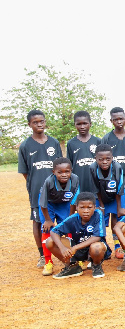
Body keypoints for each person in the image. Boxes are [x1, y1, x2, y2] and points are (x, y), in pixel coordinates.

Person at [18, 109, 62, 267]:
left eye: (41, 121)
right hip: (37, 190)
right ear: (29, 124)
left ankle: (66, 248)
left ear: (45, 122)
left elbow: (61, 166)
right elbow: (25, 172)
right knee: (38, 221)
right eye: (35, 122)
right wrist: (36, 186)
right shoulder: (25, 145)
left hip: (57, 190)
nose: (39, 124)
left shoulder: (54, 142)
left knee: (61, 218)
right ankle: (42, 255)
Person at [45, 192, 109, 279]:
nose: (86, 211)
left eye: (89, 207)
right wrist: (62, 247)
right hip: (77, 248)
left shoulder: (98, 214)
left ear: (94, 207)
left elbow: (97, 237)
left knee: (96, 247)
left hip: (93, 248)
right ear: (77, 208)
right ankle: (72, 267)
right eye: (82, 207)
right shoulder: (73, 218)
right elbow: (54, 232)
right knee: (50, 241)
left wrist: (75, 248)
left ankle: (96, 265)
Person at [38, 158, 80, 276]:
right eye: (60, 172)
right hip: (49, 205)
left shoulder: (75, 179)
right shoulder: (49, 182)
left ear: (71, 171)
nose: (64, 174)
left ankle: (74, 259)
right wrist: (47, 219)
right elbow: (43, 203)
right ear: (53, 172)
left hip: (65, 203)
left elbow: (74, 200)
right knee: (47, 229)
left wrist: (70, 217)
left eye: (67, 171)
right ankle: (48, 262)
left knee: (70, 228)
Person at [89, 144, 125, 257]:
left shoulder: (117, 167)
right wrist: (101, 206)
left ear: (112, 158)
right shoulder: (92, 168)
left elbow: (119, 187)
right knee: (100, 219)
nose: (104, 162)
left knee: (118, 218)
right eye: (101, 159)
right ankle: (104, 246)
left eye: (108, 159)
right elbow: (95, 188)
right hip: (101, 195)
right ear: (96, 159)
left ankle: (118, 246)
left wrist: (119, 207)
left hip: (118, 196)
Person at [102, 107, 125, 204]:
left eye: (121, 119)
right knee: (115, 205)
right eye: (115, 119)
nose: (119, 122)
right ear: (111, 121)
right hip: (112, 177)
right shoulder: (107, 138)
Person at [66, 110, 102, 193]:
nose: (82, 127)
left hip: (95, 183)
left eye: (85, 123)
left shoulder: (98, 141)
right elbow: (69, 165)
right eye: (79, 124)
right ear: (75, 125)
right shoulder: (71, 143)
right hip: (78, 183)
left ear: (90, 124)